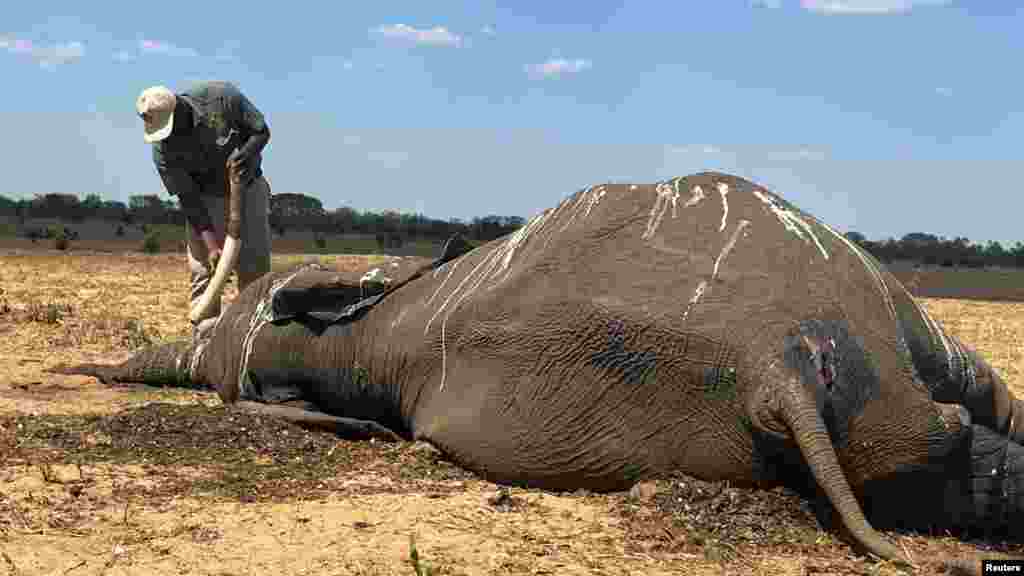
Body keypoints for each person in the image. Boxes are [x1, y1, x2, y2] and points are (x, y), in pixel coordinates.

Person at [136, 81, 272, 340]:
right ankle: (205, 343)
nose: (168, 137)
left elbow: (262, 132)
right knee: (204, 272)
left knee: (255, 272)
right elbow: (189, 199)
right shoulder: (163, 151)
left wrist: (244, 155)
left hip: (248, 189)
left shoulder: (221, 98)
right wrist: (212, 246)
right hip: (204, 199)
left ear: (179, 112)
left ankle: (254, 339)